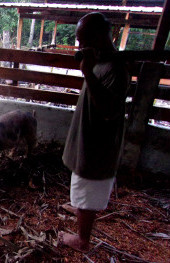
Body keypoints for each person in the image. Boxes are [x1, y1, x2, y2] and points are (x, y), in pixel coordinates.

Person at [58, 13, 132, 251]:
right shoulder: (100, 60)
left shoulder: (116, 68)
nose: (79, 46)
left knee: (89, 188)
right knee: (81, 181)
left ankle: (82, 240)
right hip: (87, 135)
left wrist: (88, 73)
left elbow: (109, 110)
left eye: (83, 40)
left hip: (99, 143)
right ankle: (79, 207)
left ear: (100, 37)